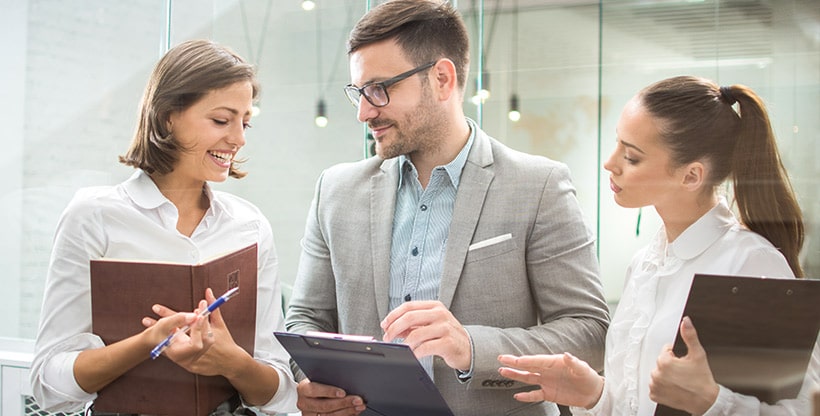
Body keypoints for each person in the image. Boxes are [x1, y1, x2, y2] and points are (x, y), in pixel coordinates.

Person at [284, 1, 610, 415]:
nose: (365, 111)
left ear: (441, 79)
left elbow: (590, 333)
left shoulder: (537, 186)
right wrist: (309, 382)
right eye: (359, 93)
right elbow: (305, 318)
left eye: (379, 89)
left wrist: (471, 347)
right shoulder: (335, 190)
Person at [498, 75, 818, 415]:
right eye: (617, 143)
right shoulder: (646, 263)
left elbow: (804, 409)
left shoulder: (752, 263)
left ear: (691, 176)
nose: (610, 163)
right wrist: (595, 395)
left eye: (632, 157)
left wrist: (713, 402)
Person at [30, 39, 298, 415]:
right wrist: (146, 342)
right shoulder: (93, 217)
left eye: (245, 122)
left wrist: (231, 362)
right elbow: (47, 384)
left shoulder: (249, 226)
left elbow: (281, 392)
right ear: (167, 116)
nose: (238, 138)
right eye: (222, 120)